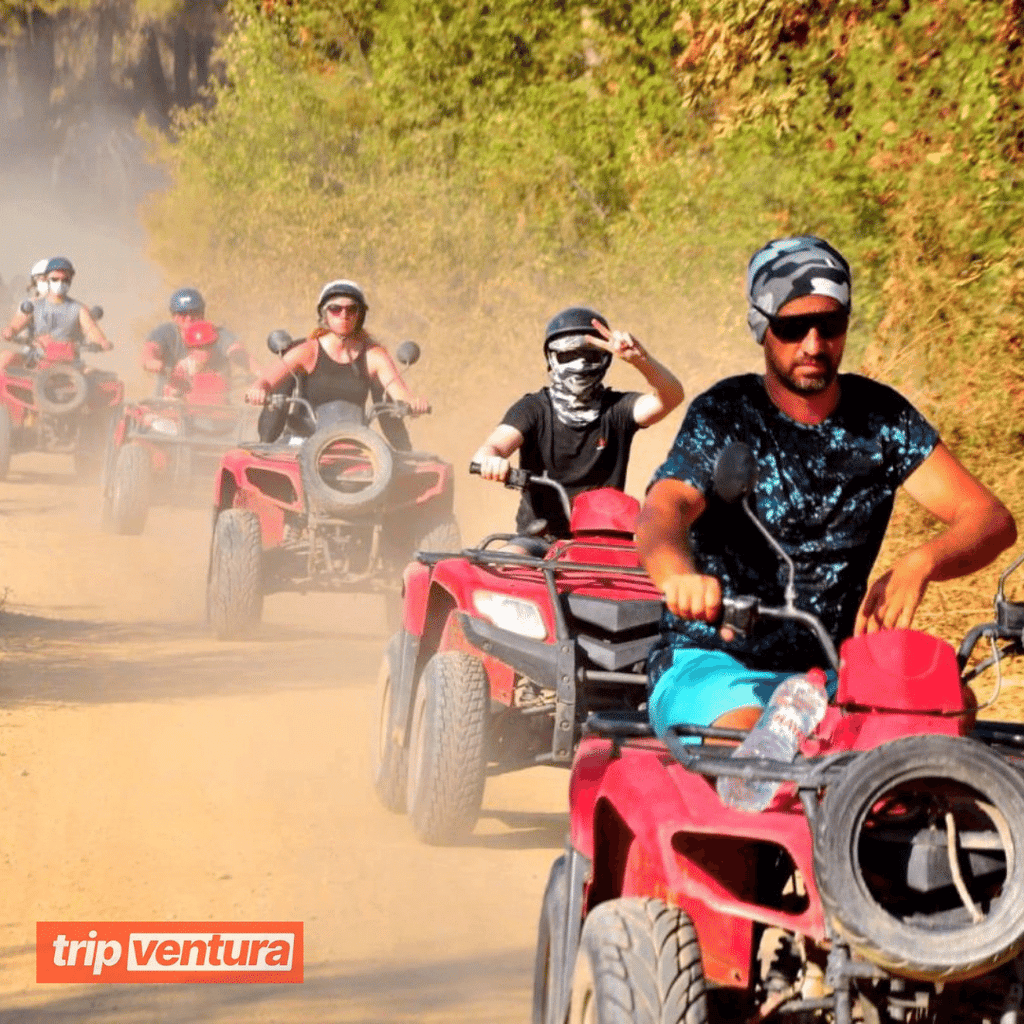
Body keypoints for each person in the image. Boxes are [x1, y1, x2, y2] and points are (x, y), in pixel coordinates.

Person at [636, 235, 1016, 740]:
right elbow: (664, 509)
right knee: (756, 742)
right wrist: (678, 577)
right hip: (716, 666)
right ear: (762, 327)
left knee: (946, 710)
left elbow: (990, 518)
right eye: (793, 327)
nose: (814, 345)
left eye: (830, 325)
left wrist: (923, 562)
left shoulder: (883, 419)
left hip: (835, 675)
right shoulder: (725, 413)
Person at [472, 306, 684, 539]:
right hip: (539, 540)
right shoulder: (532, 408)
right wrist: (491, 461)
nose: (580, 365)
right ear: (551, 359)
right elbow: (493, 446)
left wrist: (640, 360)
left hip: (605, 541)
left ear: (605, 359)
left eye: (590, 356)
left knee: (664, 562)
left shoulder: (618, 409)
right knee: (509, 559)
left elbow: (671, 397)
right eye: (568, 356)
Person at [244, 279, 428, 443]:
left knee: (392, 468)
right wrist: (258, 390)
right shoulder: (307, 351)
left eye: (352, 309)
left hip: (356, 443)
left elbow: (399, 392)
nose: (343, 314)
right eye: (335, 309)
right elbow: (266, 380)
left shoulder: (374, 356)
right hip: (301, 441)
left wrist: (414, 403)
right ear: (324, 314)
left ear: (360, 315)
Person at [0, 257, 111, 371]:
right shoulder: (34, 305)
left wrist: (102, 342)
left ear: (70, 280)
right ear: (47, 279)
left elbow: (91, 328)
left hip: (70, 364)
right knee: (5, 357)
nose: (60, 283)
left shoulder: (79, 309)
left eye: (65, 280)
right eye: (55, 279)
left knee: (95, 374)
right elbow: (16, 325)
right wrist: (10, 331)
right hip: (36, 360)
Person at [142, 288, 254, 395]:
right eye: (183, 314)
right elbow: (150, 350)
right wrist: (154, 363)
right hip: (168, 404)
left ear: (202, 314)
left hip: (218, 403)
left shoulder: (216, 333)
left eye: (194, 312)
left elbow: (239, 353)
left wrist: (260, 377)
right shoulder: (166, 333)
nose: (189, 318)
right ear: (174, 317)